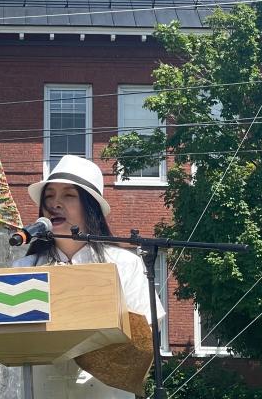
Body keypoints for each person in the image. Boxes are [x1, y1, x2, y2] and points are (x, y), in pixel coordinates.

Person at [12, 154, 164, 398]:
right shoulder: (24, 268)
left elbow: (144, 339)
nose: (55, 204)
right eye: (49, 196)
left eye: (69, 195)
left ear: (90, 207)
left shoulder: (125, 264)